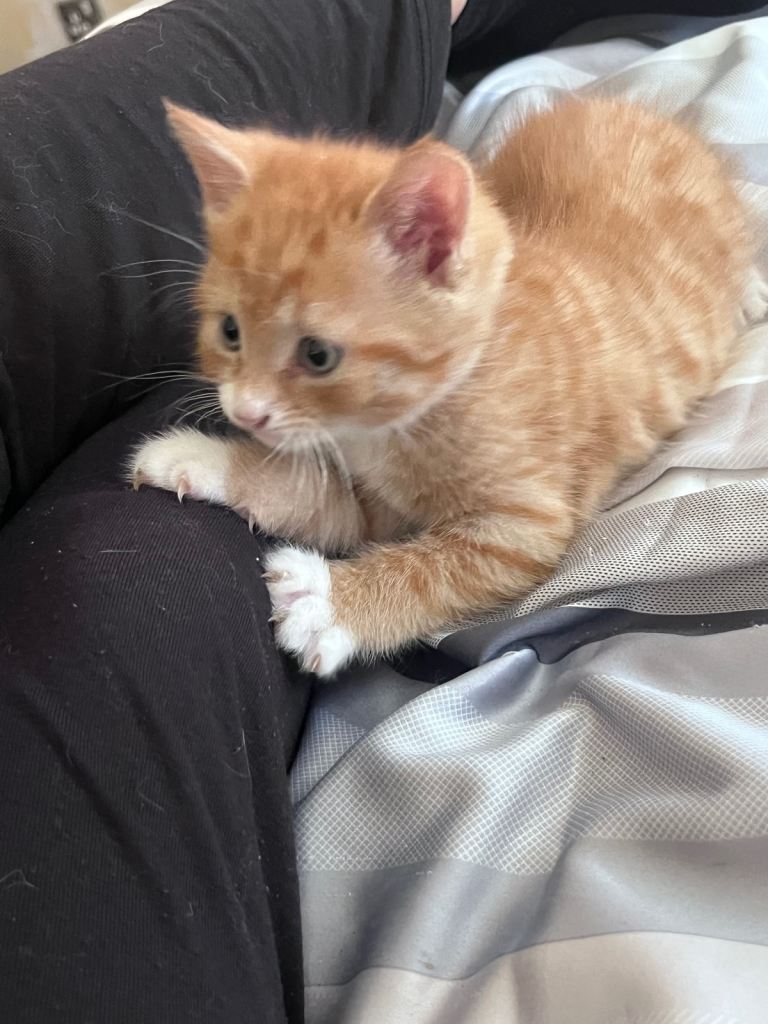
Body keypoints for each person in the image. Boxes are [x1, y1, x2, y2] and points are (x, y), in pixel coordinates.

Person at [0, 1, 762, 1020]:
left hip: (637, 228)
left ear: (437, 250)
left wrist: (363, 601)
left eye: (312, 357)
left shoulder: (491, 400)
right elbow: (347, 478)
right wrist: (251, 467)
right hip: (560, 197)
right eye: (229, 332)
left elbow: (521, 536)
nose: (250, 403)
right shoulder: (372, 359)